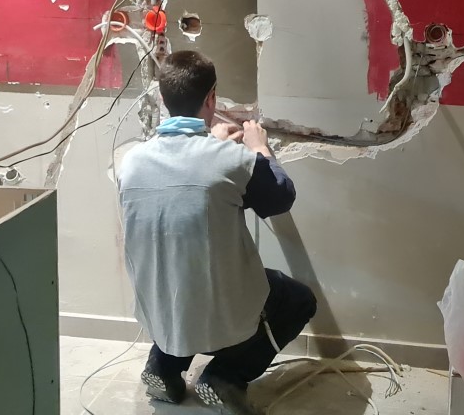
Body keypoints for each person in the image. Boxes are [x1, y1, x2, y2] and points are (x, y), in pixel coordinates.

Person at [118, 50, 316, 414]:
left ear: (163, 97)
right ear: (211, 98)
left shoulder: (130, 162)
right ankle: (225, 377)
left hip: (157, 307)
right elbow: (280, 197)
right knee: (298, 300)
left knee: (179, 284)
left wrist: (213, 142)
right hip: (217, 315)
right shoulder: (232, 161)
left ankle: (162, 368)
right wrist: (260, 149)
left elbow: (187, 178)